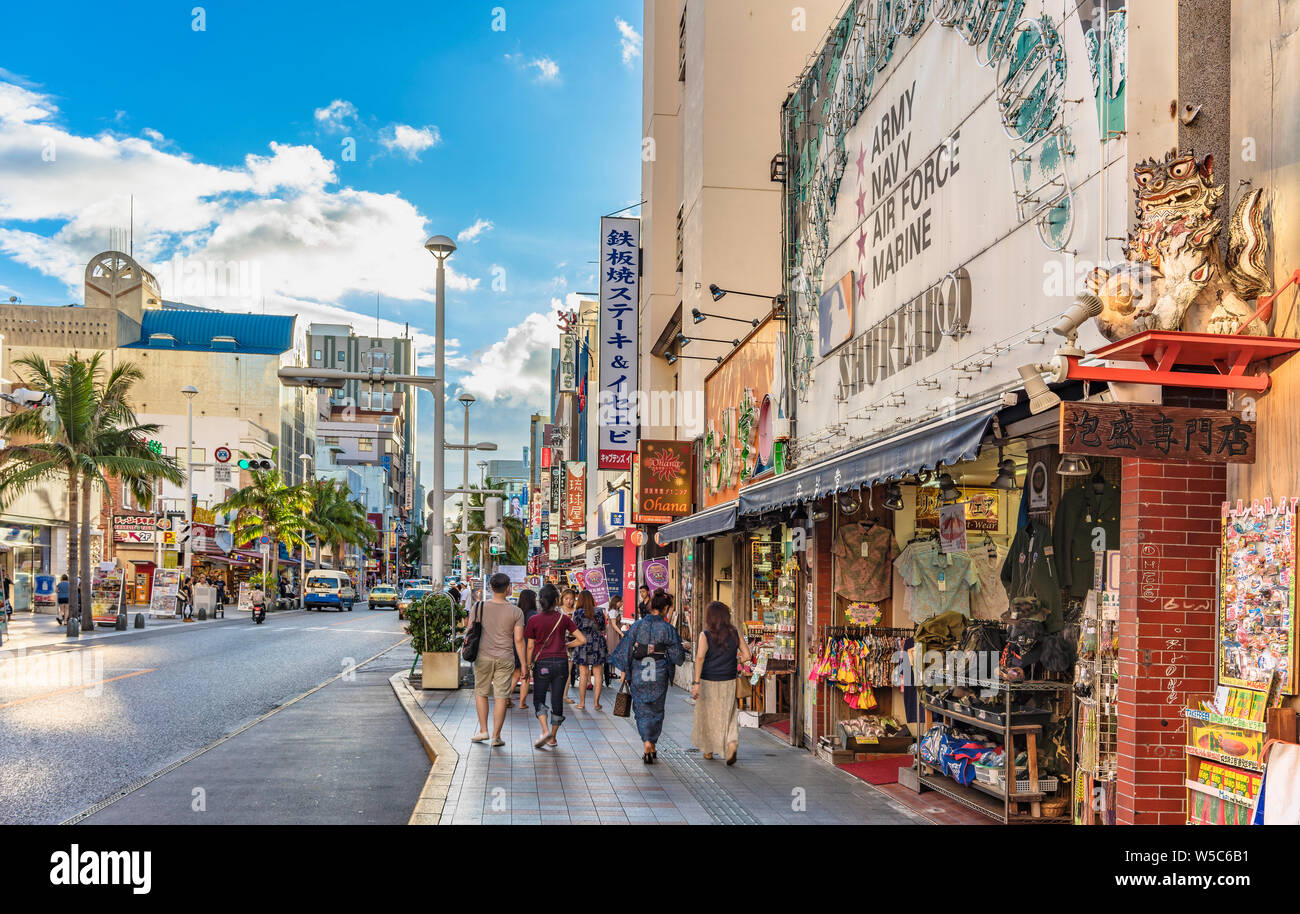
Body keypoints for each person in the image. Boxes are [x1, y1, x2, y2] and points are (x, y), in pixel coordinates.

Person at [609, 590, 685, 764]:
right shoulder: (668, 628)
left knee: (641, 710)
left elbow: (625, 648)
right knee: (657, 709)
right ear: (665, 608)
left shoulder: (637, 625)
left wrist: (624, 671)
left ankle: (647, 742)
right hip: (659, 673)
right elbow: (677, 656)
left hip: (638, 671)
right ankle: (653, 742)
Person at [524, 583, 585, 750]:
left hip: (542, 664)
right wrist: (566, 645)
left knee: (539, 698)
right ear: (556, 601)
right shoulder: (563, 618)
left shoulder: (533, 620)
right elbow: (582, 639)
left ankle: (545, 730)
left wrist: (528, 666)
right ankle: (553, 737)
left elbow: (530, 646)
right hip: (561, 663)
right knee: (557, 699)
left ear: (541, 601)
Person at [470, 572, 526, 747]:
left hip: (482, 656)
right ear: (508, 588)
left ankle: (483, 730)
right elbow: (518, 639)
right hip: (506, 658)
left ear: (491, 588)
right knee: (501, 696)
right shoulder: (516, 612)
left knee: (481, 692)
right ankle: (496, 736)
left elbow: (469, 631)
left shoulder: (478, 607)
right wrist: (524, 665)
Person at [691, 600, 751, 764]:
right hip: (729, 679)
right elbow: (747, 655)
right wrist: (736, 662)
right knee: (729, 714)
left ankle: (709, 750)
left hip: (708, 680)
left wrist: (696, 683)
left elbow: (700, 658)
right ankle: (731, 743)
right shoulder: (734, 632)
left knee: (708, 714)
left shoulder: (706, 634)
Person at [571, 591, 609, 711]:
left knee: (583, 674)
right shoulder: (599, 611)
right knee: (598, 674)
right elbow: (603, 627)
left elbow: (574, 628)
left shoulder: (577, 612)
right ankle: (596, 704)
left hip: (582, 641)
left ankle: (582, 703)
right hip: (597, 641)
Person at [512, 588, 538, 709]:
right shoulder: (533, 614)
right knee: (526, 674)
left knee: (516, 673)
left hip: (516, 646)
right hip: (528, 647)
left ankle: (506, 698)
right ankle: (522, 703)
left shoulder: (517, 612)